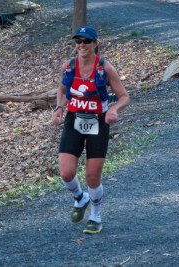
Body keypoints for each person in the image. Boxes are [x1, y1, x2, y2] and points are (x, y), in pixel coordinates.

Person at [52, 25, 130, 234]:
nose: (82, 45)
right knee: (66, 172)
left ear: (96, 43)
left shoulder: (105, 67)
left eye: (86, 41)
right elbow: (62, 89)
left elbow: (124, 96)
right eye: (78, 41)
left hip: (98, 122)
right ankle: (80, 197)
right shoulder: (68, 66)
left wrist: (114, 109)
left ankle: (96, 215)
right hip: (74, 120)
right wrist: (59, 108)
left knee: (92, 177)